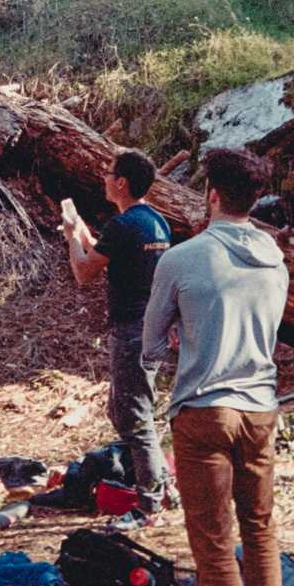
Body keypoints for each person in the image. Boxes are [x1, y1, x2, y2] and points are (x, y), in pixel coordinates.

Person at [143, 145, 294, 586]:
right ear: (254, 199)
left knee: (211, 543)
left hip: (204, 411)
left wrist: (184, 338)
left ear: (210, 195)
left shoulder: (182, 258)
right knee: (259, 526)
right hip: (260, 410)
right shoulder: (274, 257)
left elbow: (151, 345)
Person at [62, 149, 173, 521]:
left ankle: (149, 504)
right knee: (124, 411)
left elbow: (84, 272)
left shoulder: (123, 226)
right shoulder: (154, 222)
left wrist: (70, 237)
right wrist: (81, 231)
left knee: (135, 419)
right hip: (152, 327)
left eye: (109, 174)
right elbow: (105, 253)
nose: (104, 179)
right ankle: (161, 484)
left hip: (131, 332)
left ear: (122, 183)